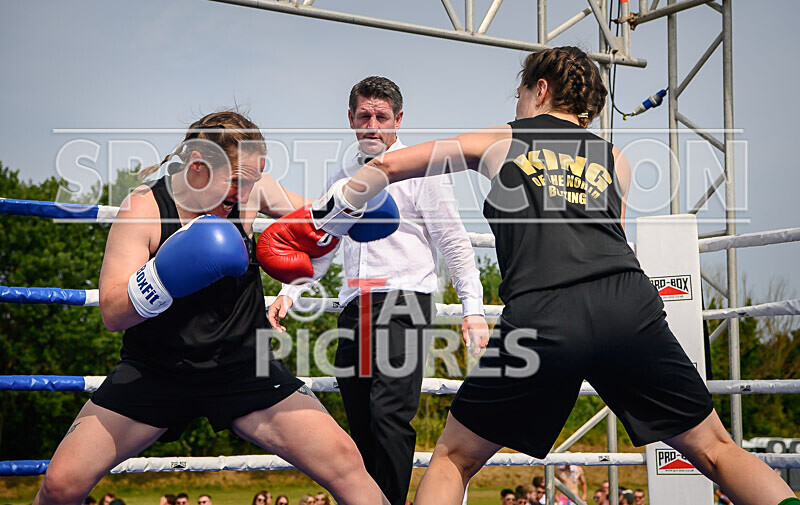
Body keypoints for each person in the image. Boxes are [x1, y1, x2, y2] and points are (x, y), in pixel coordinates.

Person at [288, 46, 800, 505]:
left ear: (540, 89)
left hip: (543, 313)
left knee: (454, 459)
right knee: (715, 448)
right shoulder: (615, 159)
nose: (516, 104)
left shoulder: (501, 139)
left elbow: (388, 167)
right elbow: (613, 236)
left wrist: (319, 219)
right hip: (628, 304)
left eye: (519, 94)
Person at [31, 111, 389, 505]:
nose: (246, 190)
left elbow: (321, 216)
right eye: (237, 180)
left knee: (345, 463)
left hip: (244, 368)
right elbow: (112, 313)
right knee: (60, 485)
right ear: (198, 165)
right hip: (156, 372)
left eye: (253, 179)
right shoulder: (145, 209)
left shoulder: (253, 191)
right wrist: (164, 276)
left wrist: (354, 210)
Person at [269, 76, 488, 505]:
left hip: (405, 301)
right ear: (351, 119)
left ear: (398, 119)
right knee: (361, 420)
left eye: (381, 117)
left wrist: (473, 307)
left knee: (389, 414)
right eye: (364, 116)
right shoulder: (342, 176)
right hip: (354, 306)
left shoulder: (423, 168)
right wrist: (289, 293)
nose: (372, 125)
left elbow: (453, 241)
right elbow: (323, 243)